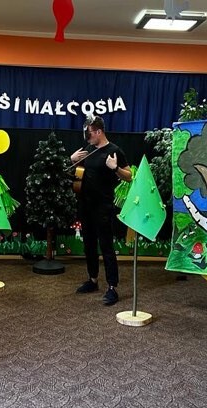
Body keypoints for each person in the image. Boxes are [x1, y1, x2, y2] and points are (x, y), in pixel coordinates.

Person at [70, 115, 131, 306]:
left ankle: (112, 287)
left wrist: (115, 168)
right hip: (85, 204)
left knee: (106, 246)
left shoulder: (114, 151)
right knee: (89, 244)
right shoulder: (88, 150)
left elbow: (129, 176)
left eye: (89, 134)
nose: (87, 138)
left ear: (98, 131)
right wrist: (72, 160)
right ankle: (93, 280)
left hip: (103, 206)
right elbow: (78, 173)